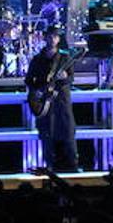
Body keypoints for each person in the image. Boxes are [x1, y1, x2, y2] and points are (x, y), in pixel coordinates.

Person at [24, 25, 78, 172]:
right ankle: (50, 166)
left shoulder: (65, 58)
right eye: (49, 36)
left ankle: (71, 165)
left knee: (67, 132)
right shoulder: (37, 59)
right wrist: (36, 91)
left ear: (58, 39)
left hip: (61, 101)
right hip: (44, 104)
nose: (52, 39)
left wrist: (65, 78)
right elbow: (29, 80)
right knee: (47, 134)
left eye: (55, 36)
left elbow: (71, 78)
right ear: (44, 38)